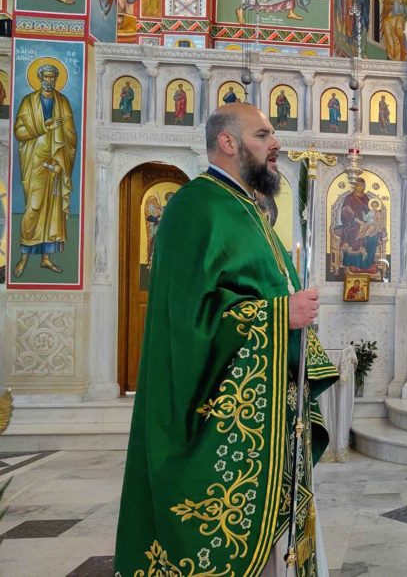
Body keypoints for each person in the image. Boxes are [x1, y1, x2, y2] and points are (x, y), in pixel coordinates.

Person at [114, 104, 338, 576]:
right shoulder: (196, 206)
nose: (275, 143)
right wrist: (280, 315)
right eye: (263, 134)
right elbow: (188, 317)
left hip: (268, 407)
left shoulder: (246, 208)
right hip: (215, 418)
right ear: (228, 143)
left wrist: (289, 315)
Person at [12, 63, 77, 278]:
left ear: (56, 79)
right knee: (34, 207)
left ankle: (46, 258)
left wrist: (62, 163)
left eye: (52, 77)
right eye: (45, 77)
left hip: (55, 164)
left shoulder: (63, 102)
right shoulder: (28, 102)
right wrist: (45, 127)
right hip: (34, 163)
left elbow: (70, 136)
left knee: (53, 212)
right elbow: (20, 133)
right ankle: (23, 257)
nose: (49, 80)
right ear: (39, 79)